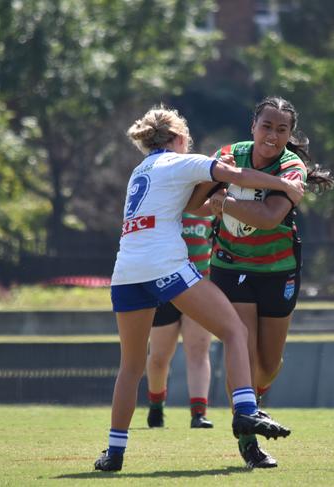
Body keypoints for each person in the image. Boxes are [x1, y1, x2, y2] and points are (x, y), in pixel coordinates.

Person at [94, 105, 303, 472]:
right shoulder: (180, 161)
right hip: (165, 265)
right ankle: (245, 412)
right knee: (235, 332)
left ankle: (114, 452)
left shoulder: (139, 169)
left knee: (130, 367)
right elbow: (235, 173)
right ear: (176, 139)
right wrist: (283, 184)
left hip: (125, 271)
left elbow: (193, 202)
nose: (189, 141)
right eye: (185, 136)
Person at [206, 96, 333, 469]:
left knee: (268, 363)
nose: (272, 136)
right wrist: (213, 193)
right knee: (241, 346)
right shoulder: (229, 154)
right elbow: (201, 198)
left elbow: (267, 217)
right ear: (253, 126)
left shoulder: (292, 166)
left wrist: (224, 201)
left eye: (282, 129)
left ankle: (252, 404)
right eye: (266, 126)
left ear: (290, 134)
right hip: (230, 265)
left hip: (277, 269)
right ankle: (248, 437)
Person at [146, 211, 216, 429]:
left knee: (198, 350)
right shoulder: (166, 203)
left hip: (199, 286)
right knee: (159, 357)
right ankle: (156, 405)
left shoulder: (212, 205)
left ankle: (199, 414)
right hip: (165, 286)